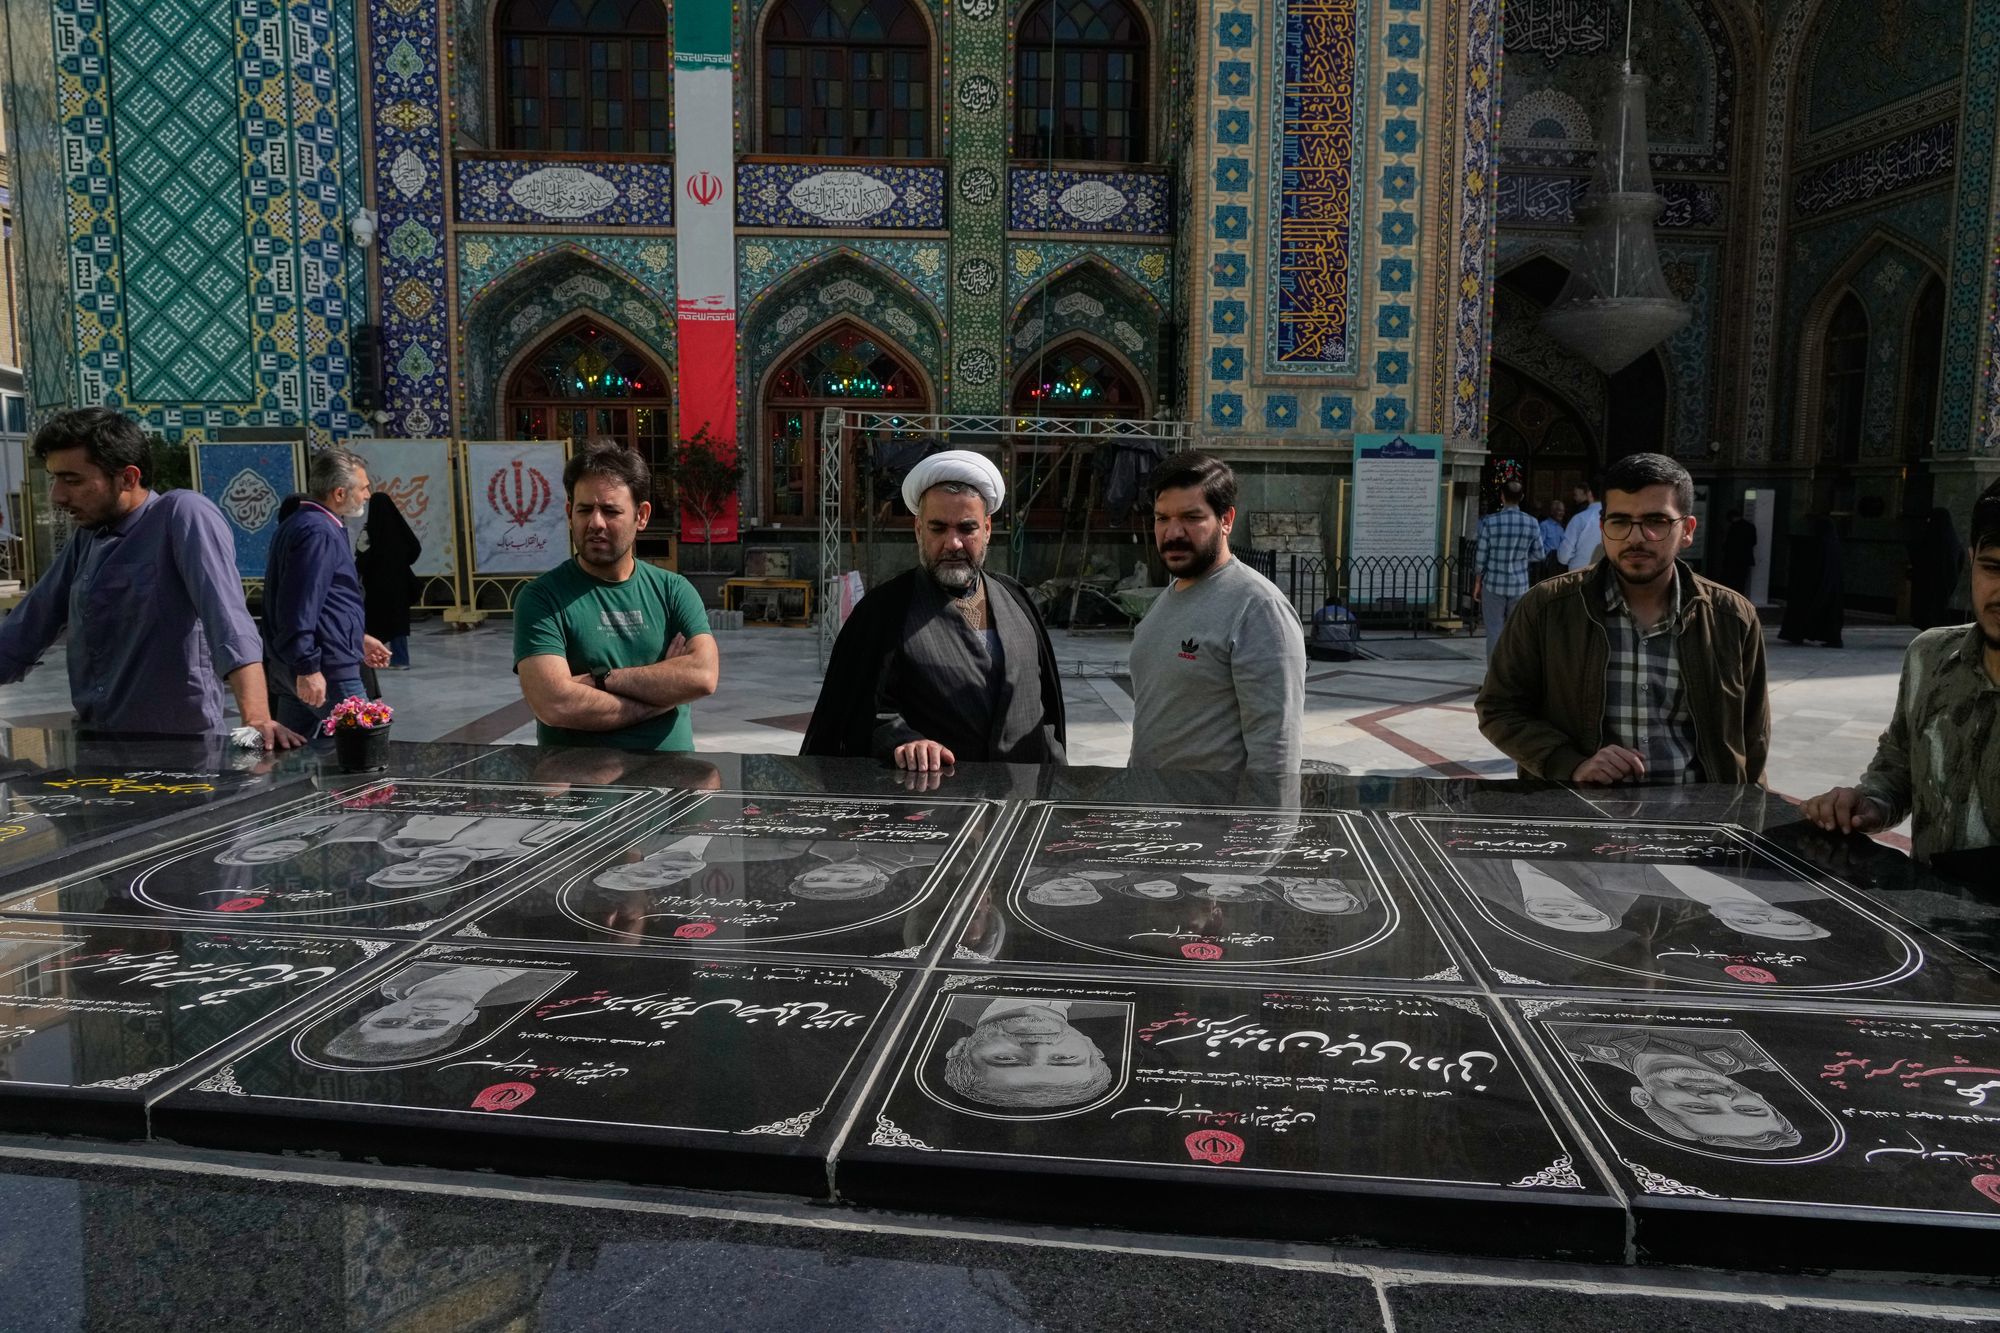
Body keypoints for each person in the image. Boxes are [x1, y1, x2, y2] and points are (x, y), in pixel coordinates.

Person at [0, 408, 300, 747]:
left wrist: (257, 717)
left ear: (128, 478)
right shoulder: (88, 538)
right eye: (55, 479)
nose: (57, 496)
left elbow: (228, 620)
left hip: (180, 753)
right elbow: (27, 626)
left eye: (73, 481)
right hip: (98, 747)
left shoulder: (181, 515)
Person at [1477, 452, 1769, 785]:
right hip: (1579, 817)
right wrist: (1570, 764)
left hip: (1696, 821)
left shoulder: (1730, 619)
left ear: (1686, 530)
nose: (1635, 538)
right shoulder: (1547, 609)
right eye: (1620, 522)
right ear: (1603, 528)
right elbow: (1498, 708)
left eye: (1655, 521)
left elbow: (1752, 739)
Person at [803, 449, 1066, 769]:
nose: (953, 543)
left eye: (966, 529)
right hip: (937, 806)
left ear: (987, 530)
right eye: (938, 528)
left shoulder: (1017, 600)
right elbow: (855, 720)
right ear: (918, 530)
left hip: (1022, 803)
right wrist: (904, 740)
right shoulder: (883, 612)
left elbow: (1044, 712)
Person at [1801, 480, 2000, 880]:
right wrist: (1868, 804)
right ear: (1971, 559)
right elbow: (1900, 764)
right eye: (1993, 568)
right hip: (1927, 924)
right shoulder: (1932, 656)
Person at [514, 440, 718, 753]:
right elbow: (554, 703)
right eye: (584, 510)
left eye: (610, 511)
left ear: (642, 516)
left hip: (672, 778)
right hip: (578, 782)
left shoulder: (673, 591)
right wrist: (659, 699)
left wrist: (601, 679)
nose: (595, 523)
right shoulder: (542, 598)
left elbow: (703, 675)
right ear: (570, 513)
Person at [1128, 452, 1305, 773]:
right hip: (1151, 810)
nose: (1173, 533)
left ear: (1226, 520)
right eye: (1162, 518)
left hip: (1212, 819)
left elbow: (1277, 749)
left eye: (1191, 518)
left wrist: (1263, 823)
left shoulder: (1258, 608)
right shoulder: (1168, 597)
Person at [264, 449, 392, 737]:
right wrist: (308, 667)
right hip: (326, 667)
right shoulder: (318, 531)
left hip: (298, 662)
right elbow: (300, 604)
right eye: (363, 488)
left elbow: (324, 600)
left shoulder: (300, 523)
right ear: (338, 493)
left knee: (294, 756)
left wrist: (356, 638)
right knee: (362, 751)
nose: (368, 495)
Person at [1555, 1024, 1802, 1151]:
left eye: (1697, 1107)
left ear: (1642, 1098)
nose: (1717, 1096)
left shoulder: (1569, 1043)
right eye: (1749, 1109)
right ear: (1760, 1097)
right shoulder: (1755, 1048)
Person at [316, 963, 558, 1064]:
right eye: (428, 1025)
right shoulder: (543, 987)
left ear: (374, 1013)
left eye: (391, 1022)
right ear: (469, 1018)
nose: (416, 1017)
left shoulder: (388, 973)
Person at [940, 996, 1116, 1109]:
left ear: (961, 1048)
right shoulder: (1120, 1003)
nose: (1038, 1046)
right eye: (1064, 1058)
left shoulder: (940, 1000)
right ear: (1091, 1047)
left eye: (1005, 1058)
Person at [1474, 480, 1545, 656]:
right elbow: (1540, 554)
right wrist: (1521, 557)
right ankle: (1512, 675)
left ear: (1502, 497)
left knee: (1494, 630)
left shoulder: (1490, 522)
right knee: (1516, 631)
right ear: (1521, 497)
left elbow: (1481, 557)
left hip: (1493, 583)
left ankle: (1494, 676)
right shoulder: (1532, 523)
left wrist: (1477, 582)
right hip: (1519, 585)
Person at [356, 490, 422, 668]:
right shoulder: (399, 530)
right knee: (398, 622)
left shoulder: (370, 532)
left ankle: (375, 658)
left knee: (375, 621)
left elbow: (360, 560)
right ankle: (401, 659)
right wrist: (401, 563)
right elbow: (415, 548)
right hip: (399, 583)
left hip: (376, 585)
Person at [1778, 515, 1845, 647]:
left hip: (1816, 586)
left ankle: (1798, 634)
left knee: (1805, 607)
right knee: (1830, 613)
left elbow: (1811, 566)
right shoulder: (1834, 543)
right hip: (1832, 588)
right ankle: (1832, 638)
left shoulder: (1820, 544)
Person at [1909, 507, 1965, 631]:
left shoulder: (1932, 539)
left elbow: (1920, 558)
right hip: (1947, 579)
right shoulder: (1953, 540)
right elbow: (1960, 558)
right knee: (1940, 607)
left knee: (1928, 609)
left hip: (1929, 581)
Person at [1556, 480, 1603, 572]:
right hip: (1608, 577)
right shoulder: (1616, 519)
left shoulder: (1580, 518)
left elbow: (1563, 556)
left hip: (1580, 575)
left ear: (1589, 494)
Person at [1308, 594, 1359, 661]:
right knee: (1356, 651)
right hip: (1345, 654)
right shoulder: (1349, 614)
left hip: (1321, 652)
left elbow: (1314, 633)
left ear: (1326, 604)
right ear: (1340, 605)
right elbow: (1353, 636)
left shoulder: (1320, 612)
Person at [1719, 508, 1757, 597]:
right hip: (1745, 559)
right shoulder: (1750, 526)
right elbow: (1754, 542)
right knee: (1741, 580)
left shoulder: (1733, 527)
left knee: (1730, 579)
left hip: (1732, 558)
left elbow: (1727, 544)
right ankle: (1740, 597)